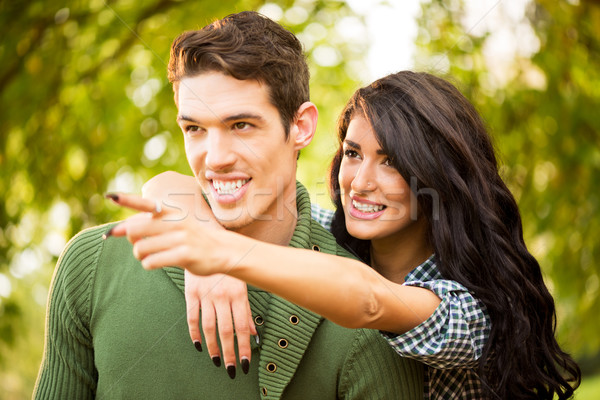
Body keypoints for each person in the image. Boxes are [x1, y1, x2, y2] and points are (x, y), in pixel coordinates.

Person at [33, 11, 424, 400]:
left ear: (301, 127)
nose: (215, 158)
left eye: (241, 126)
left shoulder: (373, 323)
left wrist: (221, 254)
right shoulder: (94, 263)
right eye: (195, 129)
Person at [136, 71, 581, 399]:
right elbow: (169, 185)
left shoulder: (469, 310)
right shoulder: (331, 239)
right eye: (353, 153)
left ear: (439, 177)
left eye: (390, 161)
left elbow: (369, 300)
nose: (361, 181)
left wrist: (222, 255)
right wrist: (204, 256)